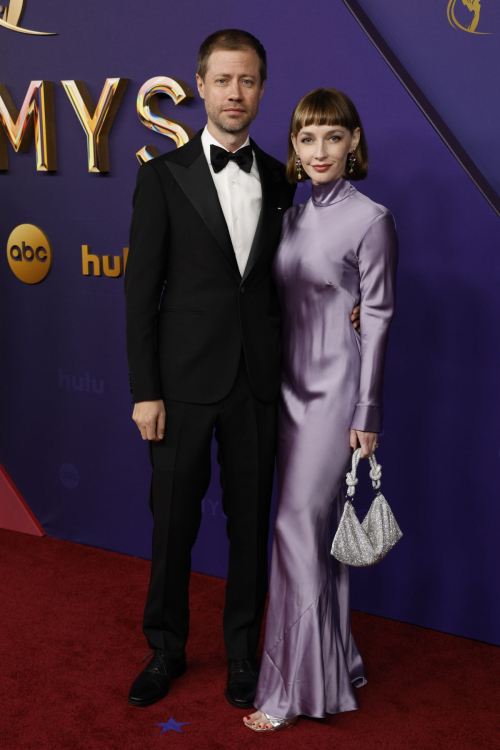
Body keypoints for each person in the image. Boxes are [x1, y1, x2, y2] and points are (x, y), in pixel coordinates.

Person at [124, 31, 360, 710]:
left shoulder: (285, 180)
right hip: (181, 388)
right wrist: (146, 392)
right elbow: (141, 294)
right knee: (172, 527)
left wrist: (347, 310)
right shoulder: (160, 178)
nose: (235, 93)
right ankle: (165, 651)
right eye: (223, 80)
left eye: (249, 81)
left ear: (261, 89)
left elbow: (313, 270)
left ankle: (243, 658)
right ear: (199, 86)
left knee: (251, 529)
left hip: (261, 385)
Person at [243, 88, 399, 732]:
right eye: (307, 139)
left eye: (333, 137)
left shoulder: (372, 218)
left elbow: (381, 317)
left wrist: (368, 411)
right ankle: (336, 664)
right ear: (294, 148)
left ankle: (290, 689)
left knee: (296, 531)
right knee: (317, 539)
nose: (319, 151)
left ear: (354, 142)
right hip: (286, 389)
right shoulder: (292, 216)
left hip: (336, 396)